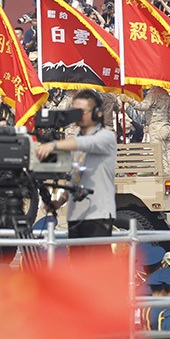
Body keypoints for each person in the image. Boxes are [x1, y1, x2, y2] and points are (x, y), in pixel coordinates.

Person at [34, 90, 117, 239]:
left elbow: (85, 143)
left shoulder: (106, 136)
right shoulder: (76, 138)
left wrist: (53, 145)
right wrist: (58, 203)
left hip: (97, 215)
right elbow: (75, 177)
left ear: (97, 113)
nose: (77, 115)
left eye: (81, 111)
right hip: (76, 216)